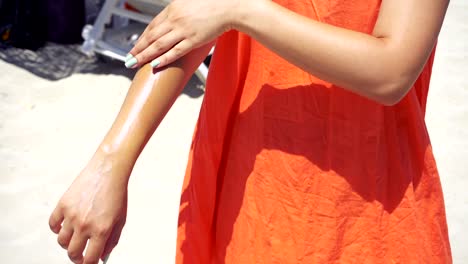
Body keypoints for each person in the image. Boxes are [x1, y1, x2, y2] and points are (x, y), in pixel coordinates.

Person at [49, 0, 452, 263]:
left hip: (363, 208)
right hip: (247, 192)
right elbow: (187, 25)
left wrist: (242, 11)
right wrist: (110, 161)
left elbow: (392, 69)